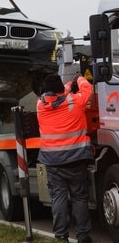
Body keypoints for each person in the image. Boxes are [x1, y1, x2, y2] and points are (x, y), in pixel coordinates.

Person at [37, 73, 94, 243]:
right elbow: (88, 90)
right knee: (79, 197)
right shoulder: (75, 101)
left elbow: (59, 93)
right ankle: (83, 235)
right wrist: (79, 78)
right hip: (76, 159)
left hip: (53, 161)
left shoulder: (40, 105)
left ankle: (61, 236)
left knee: (59, 198)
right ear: (61, 90)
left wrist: (68, 84)